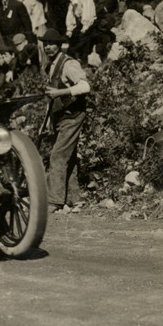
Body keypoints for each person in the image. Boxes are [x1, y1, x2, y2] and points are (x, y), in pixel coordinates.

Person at [39, 28, 91, 212]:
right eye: (45, 44)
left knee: (57, 156)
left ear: (59, 45)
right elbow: (51, 96)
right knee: (69, 157)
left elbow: (85, 86)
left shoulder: (68, 64)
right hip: (60, 117)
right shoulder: (50, 65)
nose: (48, 47)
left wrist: (60, 92)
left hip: (72, 116)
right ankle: (75, 199)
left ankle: (54, 201)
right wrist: (47, 120)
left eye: (51, 44)